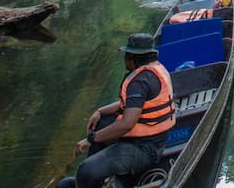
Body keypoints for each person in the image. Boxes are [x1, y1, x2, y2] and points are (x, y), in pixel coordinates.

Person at [57, 33, 175, 188]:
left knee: (85, 171)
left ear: (134, 57)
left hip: (144, 149)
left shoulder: (140, 81)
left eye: (127, 55)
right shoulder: (154, 70)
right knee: (101, 122)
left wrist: (90, 140)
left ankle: (90, 175)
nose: (124, 58)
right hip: (153, 140)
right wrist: (100, 111)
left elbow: (127, 124)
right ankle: (96, 181)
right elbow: (130, 104)